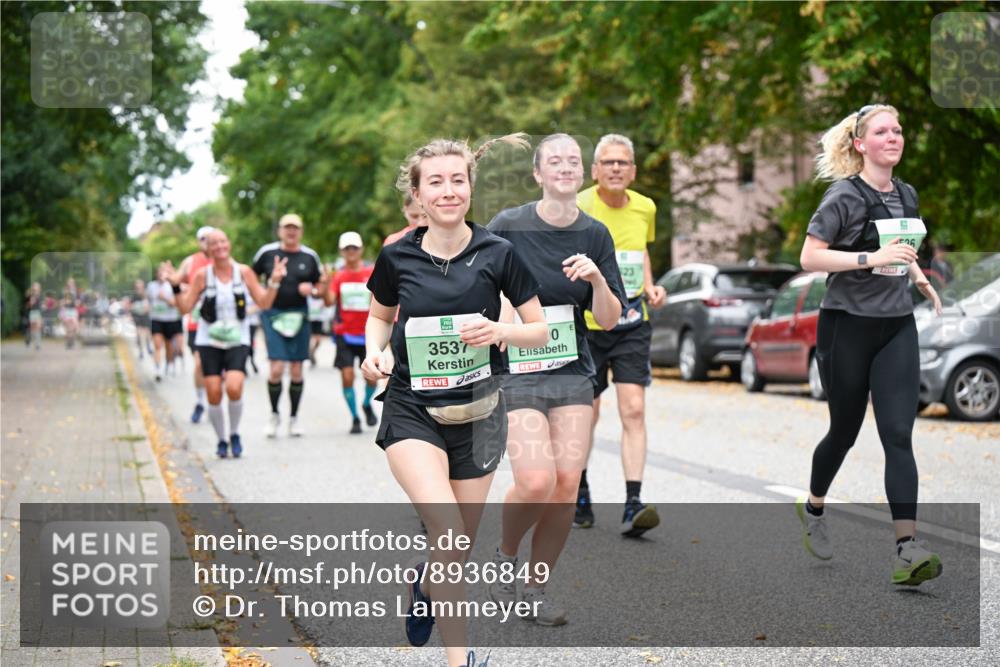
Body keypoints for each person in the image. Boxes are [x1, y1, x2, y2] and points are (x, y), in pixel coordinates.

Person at [361, 135, 547, 667]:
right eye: (436, 182)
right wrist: (375, 353)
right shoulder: (397, 256)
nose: (448, 191)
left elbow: (538, 330)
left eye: (457, 180)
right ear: (418, 194)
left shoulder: (499, 253)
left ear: (470, 187)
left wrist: (500, 331)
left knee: (455, 547)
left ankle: (424, 584)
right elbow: (379, 316)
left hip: (478, 412)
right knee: (447, 531)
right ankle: (460, 660)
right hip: (412, 409)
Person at [797, 103, 943, 586]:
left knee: (898, 433)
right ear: (860, 144)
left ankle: (907, 549)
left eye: (898, 130)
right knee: (844, 431)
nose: (893, 137)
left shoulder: (906, 193)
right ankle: (814, 507)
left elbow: (902, 248)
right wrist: (868, 258)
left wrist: (919, 277)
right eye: (882, 131)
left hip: (896, 325)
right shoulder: (844, 195)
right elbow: (810, 256)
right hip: (847, 326)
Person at [486, 133, 626, 626]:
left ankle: (535, 589)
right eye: (555, 161)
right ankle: (505, 557)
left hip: (571, 370)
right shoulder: (509, 226)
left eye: (573, 161)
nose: (565, 167)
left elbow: (609, 318)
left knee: (566, 485)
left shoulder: (595, 235)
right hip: (518, 370)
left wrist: (597, 280)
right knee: (536, 481)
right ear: (538, 174)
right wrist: (501, 311)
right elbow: (477, 283)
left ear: (582, 173)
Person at [573, 134, 667, 537]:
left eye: (622, 162)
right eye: (608, 162)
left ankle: (633, 502)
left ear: (633, 171)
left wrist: (650, 285)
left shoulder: (646, 207)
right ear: (595, 170)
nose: (615, 168)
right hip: (589, 326)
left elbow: (638, 252)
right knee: (587, 414)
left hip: (632, 323)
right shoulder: (578, 206)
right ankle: (579, 491)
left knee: (634, 410)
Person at [164, 230, 287, 458]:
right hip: (208, 340)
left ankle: (234, 433)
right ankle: (221, 439)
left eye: (222, 241)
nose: (219, 246)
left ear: (228, 244)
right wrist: (175, 286)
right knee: (213, 392)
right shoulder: (202, 275)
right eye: (214, 243)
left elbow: (264, 302)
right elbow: (184, 308)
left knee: (233, 387)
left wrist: (274, 282)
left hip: (237, 339)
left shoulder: (244, 272)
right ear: (208, 249)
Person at [252, 213, 325, 438]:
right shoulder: (267, 253)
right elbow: (250, 279)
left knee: (296, 369)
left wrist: (312, 290)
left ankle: (294, 417)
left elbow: (321, 286)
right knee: (275, 368)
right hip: (273, 315)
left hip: (299, 315)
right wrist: (263, 295)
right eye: (287, 227)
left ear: (301, 231)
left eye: (295, 228)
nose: (291, 231)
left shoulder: (310, 256)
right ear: (280, 231)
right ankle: (274, 414)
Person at [326, 231, 378, 434]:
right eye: (347, 248)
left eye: (354, 247)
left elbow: (381, 300)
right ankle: (355, 417)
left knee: (372, 378)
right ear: (342, 251)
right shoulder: (338, 276)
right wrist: (325, 283)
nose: (351, 251)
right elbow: (329, 301)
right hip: (344, 334)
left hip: (368, 334)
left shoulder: (371, 273)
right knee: (347, 376)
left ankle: (366, 403)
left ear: (361, 249)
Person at [179, 226, 216, 422]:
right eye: (203, 239)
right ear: (198, 241)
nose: (207, 242)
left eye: (210, 238)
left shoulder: (223, 260)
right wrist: (188, 288)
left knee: (218, 368)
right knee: (200, 363)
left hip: (220, 323)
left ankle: (214, 401)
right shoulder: (190, 262)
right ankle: (201, 402)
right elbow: (177, 283)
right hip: (197, 322)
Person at [148, 266, 184, 382]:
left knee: (169, 347)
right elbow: (149, 301)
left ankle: (168, 364)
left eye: (163, 273)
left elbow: (176, 303)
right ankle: (157, 369)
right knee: (157, 345)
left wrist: (164, 298)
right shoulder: (151, 286)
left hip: (170, 320)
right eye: (159, 273)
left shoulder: (172, 286)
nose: (161, 275)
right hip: (156, 319)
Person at [129, 279, 152, 360]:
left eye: (140, 285)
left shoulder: (146, 294)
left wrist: (148, 309)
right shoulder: (134, 296)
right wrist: (131, 313)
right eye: (137, 286)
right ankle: (141, 351)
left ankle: (148, 346)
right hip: (137, 316)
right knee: (138, 333)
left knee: (147, 333)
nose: (139, 287)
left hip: (145, 316)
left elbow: (149, 305)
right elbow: (130, 306)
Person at [59, 278, 80, 349]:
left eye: (72, 283)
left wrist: (77, 302)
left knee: (75, 327)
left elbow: (78, 301)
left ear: (74, 284)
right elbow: (61, 302)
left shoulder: (76, 292)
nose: (71, 284)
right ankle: (69, 343)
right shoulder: (64, 291)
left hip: (73, 310)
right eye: (69, 283)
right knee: (68, 327)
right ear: (67, 284)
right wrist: (63, 304)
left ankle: (72, 341)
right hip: (67, 310)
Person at [26, 283, 43, 350]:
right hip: (33, 312)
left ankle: (37, 344)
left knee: (38, 327)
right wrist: (31, 302)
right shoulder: (31, 296)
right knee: (33, 329)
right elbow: (28, 305)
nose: (36, 289)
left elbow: (41, 304)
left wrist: (43, 306)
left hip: (38, 313)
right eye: (35, 288)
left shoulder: (40, 296)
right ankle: (29, 338)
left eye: (38, 287)